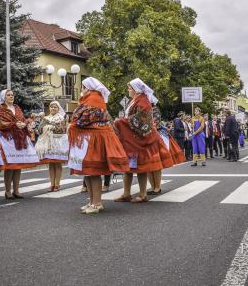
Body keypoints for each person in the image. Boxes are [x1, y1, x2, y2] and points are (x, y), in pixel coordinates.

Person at [68, 77, 129, 213]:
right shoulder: (90, 98)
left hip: (95, 139)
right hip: (89, 138)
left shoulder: (94, 98)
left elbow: (86, 118)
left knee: (94, 172)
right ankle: (92, 202)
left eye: (83, 87)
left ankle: (97, 203)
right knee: (88, 172)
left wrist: (72, 125)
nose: (82, 89)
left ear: (89, 87)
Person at [113, 78, 173, 203]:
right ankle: (126, 193)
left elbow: (141, 120)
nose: (128, 90)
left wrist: (121, 122)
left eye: (130, 88)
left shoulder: (143, 100)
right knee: (127, 168)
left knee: (142, 168)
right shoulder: (134, 100)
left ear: (136, 89)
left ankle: (142, 194)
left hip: (140, 140)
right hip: (132, 139)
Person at [0, 89, 40, 199]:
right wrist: (15, 124)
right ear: (3, 97)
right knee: (10, 166)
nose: (11, 97)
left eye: (12, 95)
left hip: (20, 138)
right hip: (8, 139)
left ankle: (16, 190)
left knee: (18, 165)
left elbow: (23, 119)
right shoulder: (1, 109)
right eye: (8, 95)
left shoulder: (17, 108)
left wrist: (24, 124)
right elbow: (1, 124)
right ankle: (7, 191)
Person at [148, 105, 185, 194]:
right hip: (147, 136)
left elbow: (155, 123)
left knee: (156, 163)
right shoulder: (141, 107)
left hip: (156, 136)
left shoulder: (154, 109)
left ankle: (157, 187)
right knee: (149, 164)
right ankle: (153, 187)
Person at [35, 101, 68, 192]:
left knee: (57, 163)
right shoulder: (46, 118)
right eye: (51, 107)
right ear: (49, 108)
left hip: (59, 143)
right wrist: (47, 127)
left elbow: (63, 129)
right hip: (48, 143)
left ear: (58, 109)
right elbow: (39, 129)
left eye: (55, 107)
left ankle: (57, 184)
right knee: (51, 164)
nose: (53, 108)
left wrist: (52, 127)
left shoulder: (62, 118)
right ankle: (52, 184)